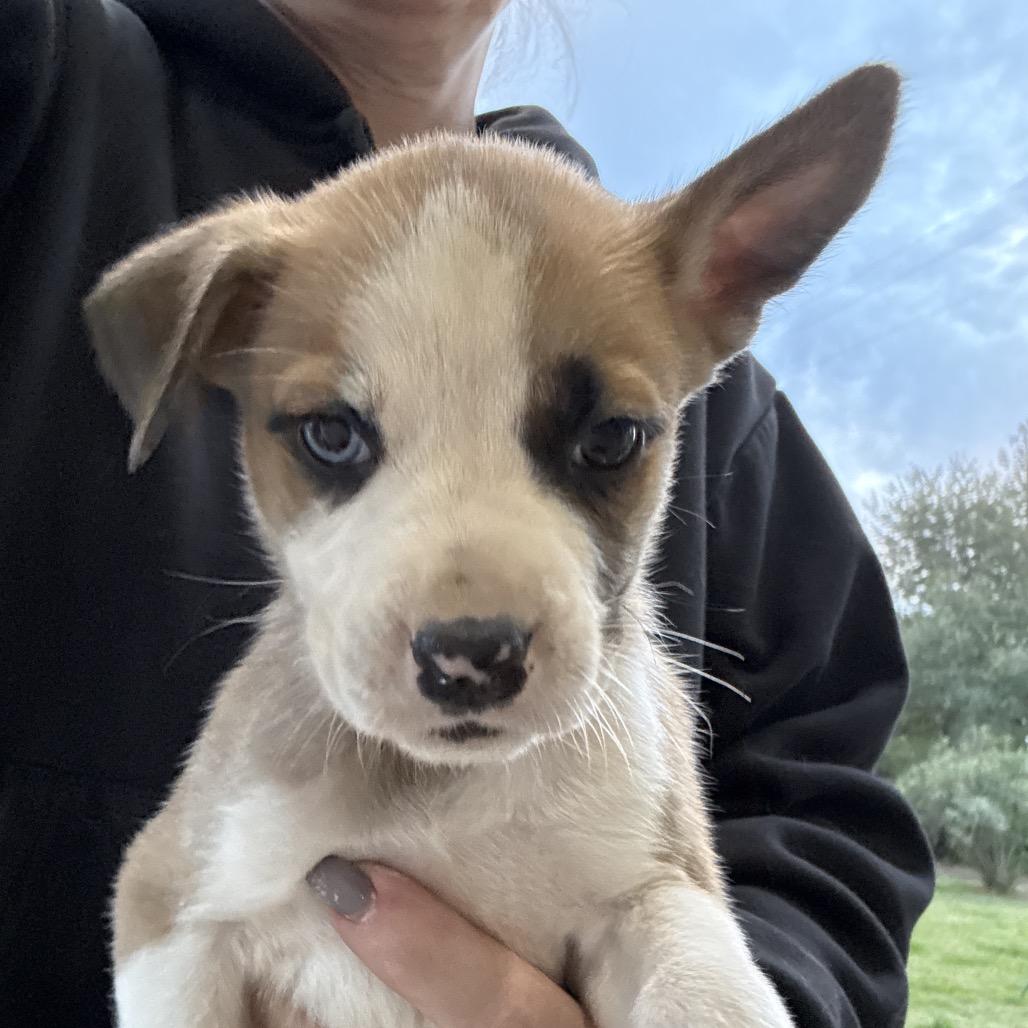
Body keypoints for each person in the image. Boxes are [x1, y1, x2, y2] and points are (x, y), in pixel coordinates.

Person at [0, 1, 934, 1026]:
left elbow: (820, 811)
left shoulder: (693, 363)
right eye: (334, 436)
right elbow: (174, 903)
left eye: (606, 442)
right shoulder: (46, 80)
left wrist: (758, 988)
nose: (470, 626)